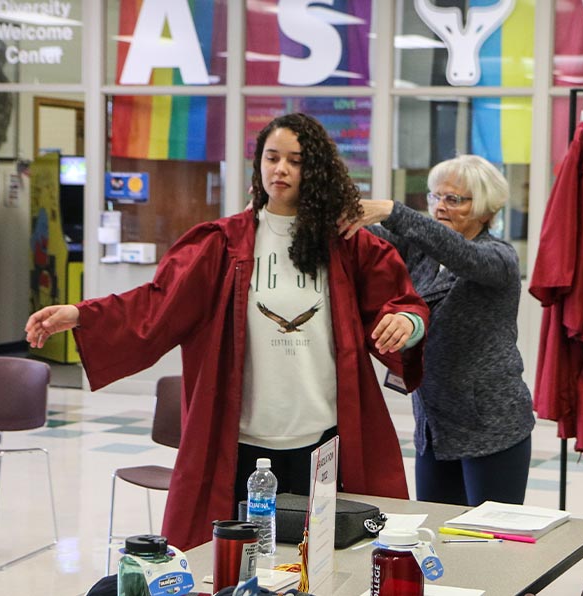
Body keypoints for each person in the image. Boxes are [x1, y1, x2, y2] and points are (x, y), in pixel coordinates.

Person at [25, 113, 430, 549]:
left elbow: (401, 301)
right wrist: (81, 313)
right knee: (236, 562)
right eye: (272, 158)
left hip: (324, 438)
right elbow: (157, 301)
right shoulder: (223, 243)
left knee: (324, 561)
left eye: (295, 161)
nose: (281, 169)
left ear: (314, 169)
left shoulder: (347, 243)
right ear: (257, 165)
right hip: (241, 442)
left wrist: (408, 322)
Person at [339, 154, 534, 506]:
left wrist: (392, 211)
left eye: (454, 199)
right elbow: (363, 238)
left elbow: (459, 253)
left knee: (488, 544)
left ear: (487, 209)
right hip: (434, 427)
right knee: (435, 536)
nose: (440, 207)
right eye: (434, 197)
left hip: (491, 427)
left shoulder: (498, 257)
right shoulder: (420, 251)